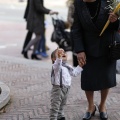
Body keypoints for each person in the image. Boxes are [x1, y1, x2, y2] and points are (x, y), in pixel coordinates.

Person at [71, 0, 119, 120]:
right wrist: (79, 50)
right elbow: (76, 28)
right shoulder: (78, 4)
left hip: (107, 47)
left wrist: (115, 21)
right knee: (88, 78)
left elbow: (116, 27)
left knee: (106, 77)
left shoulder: (110, 1)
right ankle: (90, 106)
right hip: (87, 48)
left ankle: (102, 105)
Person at [50, 48, 83, 120]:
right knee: (55, 106)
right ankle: (53, 118)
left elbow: (74, 73)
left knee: (62, 104)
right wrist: (59, 58)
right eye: (59, 53)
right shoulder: (56, 67)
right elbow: (57, 64)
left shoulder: (67, 66)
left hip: (66, 89)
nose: (63, 53)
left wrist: (80, 66)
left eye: (63, 52)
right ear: (53, 58)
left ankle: (60, 116)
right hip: (58, 89)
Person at [66, 0, 78, 67]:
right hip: (74, 29)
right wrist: (78, 22)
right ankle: (75, 66)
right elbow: (69, 18)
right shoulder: (72, 5)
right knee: (74, 49)